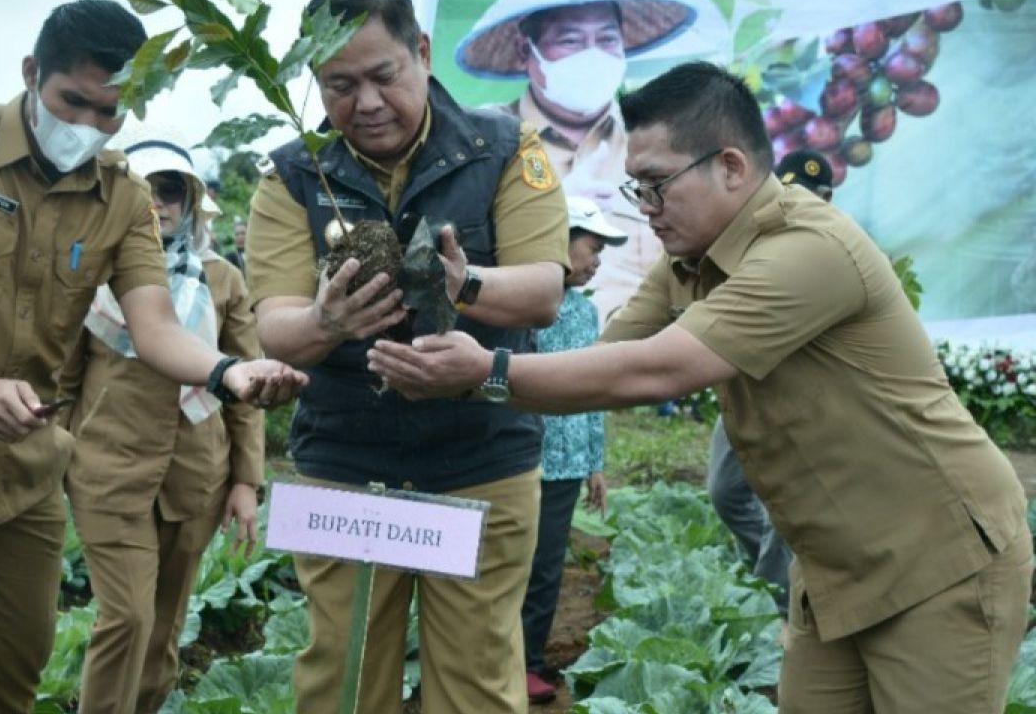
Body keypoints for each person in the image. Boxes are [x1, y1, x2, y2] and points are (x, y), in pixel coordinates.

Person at [367, 61, 1032, 713]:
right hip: (835, 571)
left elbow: (657, 368)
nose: (646, 210)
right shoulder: (691, 259)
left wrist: (488, 372)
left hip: (938, 563)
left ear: (731, 166)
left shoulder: (808, 249)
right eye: (637, 188)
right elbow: (609, 359)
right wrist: (473, 289)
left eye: (656, 185)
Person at [0, 0, 306, 714]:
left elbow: (152, 326)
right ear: (32, 73)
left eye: (110, 113)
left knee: (19, 667)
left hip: (27, 462)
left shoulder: (121, 193)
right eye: (73, 102)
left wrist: (228, 371)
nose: (88, 125)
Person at [245, 0, 569, 714]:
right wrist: (327, 323)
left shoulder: (504, 147)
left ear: (422, 51)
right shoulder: (292, 175)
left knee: (476, 683)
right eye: (338, 85)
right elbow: (275, 326)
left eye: (383, 76)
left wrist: (465, 285)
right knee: (344, 678)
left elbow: (545, 289)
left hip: (479, 459)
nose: (364, 104)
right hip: (347, 464)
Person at [56, 125, 265, 714]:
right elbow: (64, 378)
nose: (159, 202)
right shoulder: (93, 274)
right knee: (127, 616)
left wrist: (246, 481)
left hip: (195, 473)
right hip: (107, 470)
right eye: (147, 190)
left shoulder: (221, 278)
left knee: (167, 623)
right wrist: (56, 455)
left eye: (172, 190)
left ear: (191, 201)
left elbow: (243, 382)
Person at [454, 0, 695, 321]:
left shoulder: (662, 144)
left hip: (638, 361)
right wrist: (547, 210)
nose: (592, 54)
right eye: (570, 40)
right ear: (524, 51)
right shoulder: (478, 141)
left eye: (606, 39)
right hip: (510, 361)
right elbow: (449, 263)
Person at [706, 148, 834, 617]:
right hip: (744, 389)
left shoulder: (836, 249)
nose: (798, 200)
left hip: (801, 402)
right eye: (791, 189)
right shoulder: (749, 244)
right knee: (724, 492)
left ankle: (778, 602)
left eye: (811, 194)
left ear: (827, 199)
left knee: (787, 502)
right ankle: (781, 574)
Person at [522, 196, 624, 704]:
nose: (596, 260)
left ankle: (528, 663)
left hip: (563, 466)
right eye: (592, 247)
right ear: (558, 242)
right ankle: (488, 658)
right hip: (516, 458)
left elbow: (594, 389)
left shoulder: (584, 311)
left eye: (602, 252)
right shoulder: (518, 300)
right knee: (502, 561)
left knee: (544, 566)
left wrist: (595, 463)